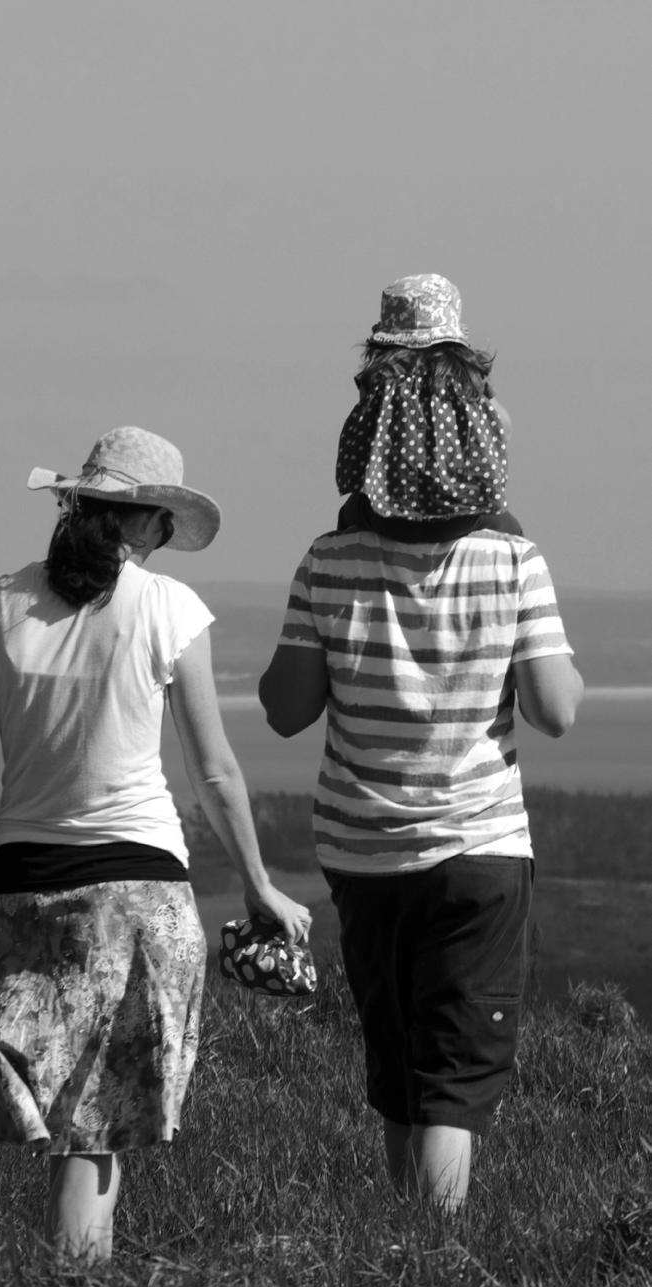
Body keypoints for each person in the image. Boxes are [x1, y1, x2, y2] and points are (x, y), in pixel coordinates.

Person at [0, 425, 310, 1262]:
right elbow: (213, 769)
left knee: (70, 1124)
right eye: (164, 524)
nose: (165, 539)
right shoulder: (167, 609)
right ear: (142, 522)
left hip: (26, 886)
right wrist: (258, 883)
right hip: (141, 888)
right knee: (94, 1126)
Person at [259, 275, 584, 1211]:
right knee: (452, 1078)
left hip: (362, 849)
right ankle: (431, 1265)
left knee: (398, 1068)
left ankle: (400, 1242)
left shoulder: (327, 559)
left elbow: (286, 709)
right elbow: (554, 710)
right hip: (478, 844)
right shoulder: (511, 559)